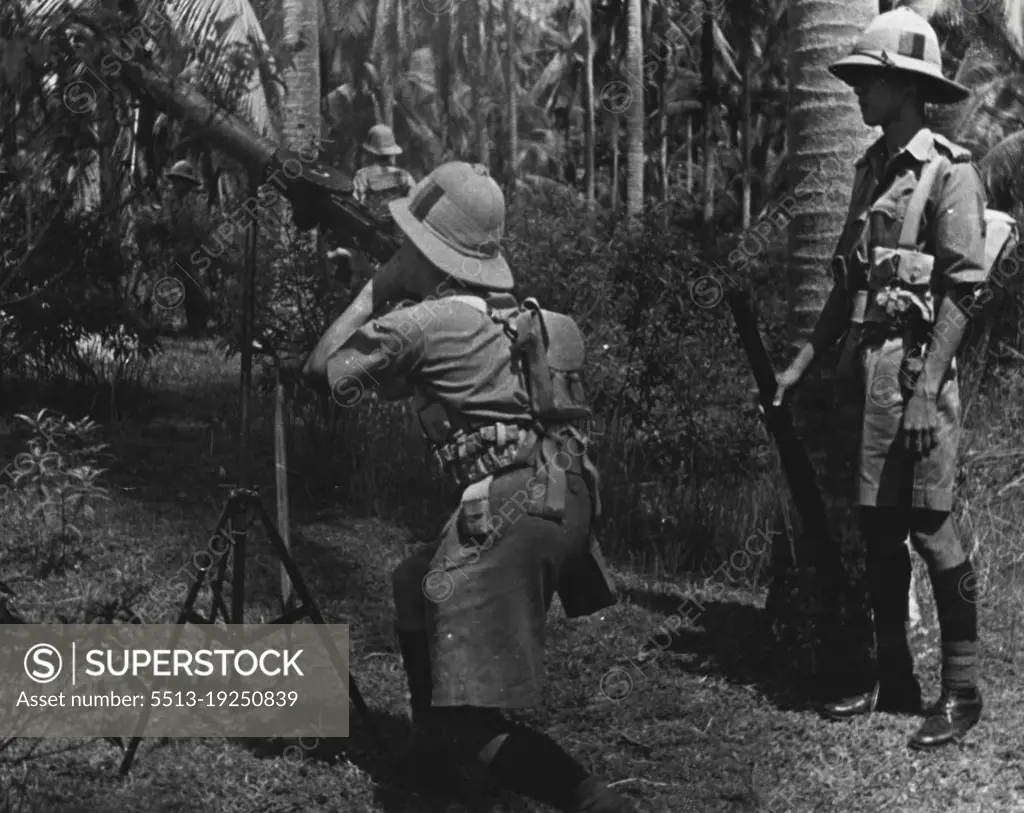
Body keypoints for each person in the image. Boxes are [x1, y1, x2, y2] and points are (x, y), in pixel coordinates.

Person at [299, 161, 632, 812]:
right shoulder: (502, 311)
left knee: (476, 726)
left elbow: (324, 372)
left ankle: (591, 799)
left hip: (510, 507)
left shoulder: (421, 324)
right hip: (563, 497)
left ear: (426, 249)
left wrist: (379, 286)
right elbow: (399, 380)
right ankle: (432, 751)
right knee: (412, 581)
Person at [772, 7, 986, 749]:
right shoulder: (870, 169)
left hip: (919, 372)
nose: (858, 90)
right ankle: (893, 676)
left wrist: (927, 388)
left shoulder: (949, 173)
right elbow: (845, 277)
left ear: (903, 87)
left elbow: (964, 288)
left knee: (931, 524)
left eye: (869, 79)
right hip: (865, 368)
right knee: (876, 525)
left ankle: (961, 689)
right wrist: (805, 360)